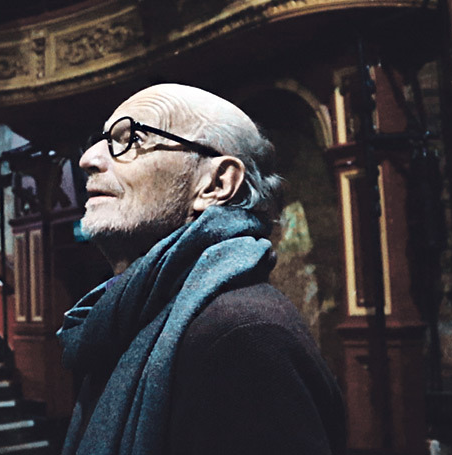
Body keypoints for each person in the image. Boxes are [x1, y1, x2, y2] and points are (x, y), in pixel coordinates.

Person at [57, 83, 346, 455]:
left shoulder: (243, 336)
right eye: (100, 140)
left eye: (131, 139)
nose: (89, 160)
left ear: (216, 183)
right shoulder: (129, 317)